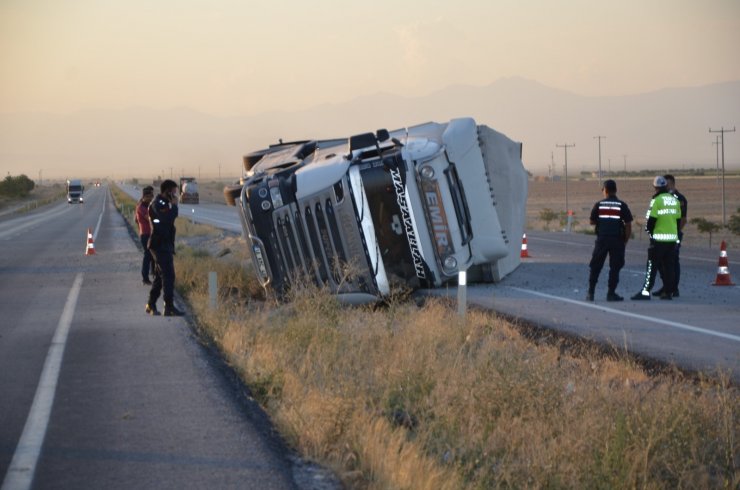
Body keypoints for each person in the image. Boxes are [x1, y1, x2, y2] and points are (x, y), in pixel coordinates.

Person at [631, 176, 682, 300]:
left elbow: (651, 220)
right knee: (669, 266)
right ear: (665, 186)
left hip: (659, 240)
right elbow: (678, 220)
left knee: (651, 266)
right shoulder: (674, 200)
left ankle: (646, 292)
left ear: (655, 187)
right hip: (672, 239)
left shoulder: (656, 200)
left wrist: (650, 233)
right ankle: (668, 292)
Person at [586, 179, 633, 301]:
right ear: (615, 190)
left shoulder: (599, 204)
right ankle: (611, 293)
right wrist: (625, 241)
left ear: (605, 190)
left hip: (602, 239)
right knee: (615, 267)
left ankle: (591, 293)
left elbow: (591, 221)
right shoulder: (622, 205)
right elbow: (628, 224)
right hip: (617, 240)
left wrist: (602, 222)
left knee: (596, 266)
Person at [145, 179, 185, 316]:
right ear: (167, 191)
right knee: (169, 275)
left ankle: (150, 304)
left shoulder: (164, 203)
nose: (175, 195)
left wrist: (172, 206)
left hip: (165, 244)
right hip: (159, 245)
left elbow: (170, 218)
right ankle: (169, 307)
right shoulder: (157, 204)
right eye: (173, 192)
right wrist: (174, 206)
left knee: (159, 277)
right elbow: (166, 219)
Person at [653, 174, 687, 297]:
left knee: (672, 262)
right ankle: (666, 287)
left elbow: (683, 219)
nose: (664, 187)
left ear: (672, 183)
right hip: (663, 235)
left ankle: (674, 288)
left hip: (674, 235)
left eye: (666, 184)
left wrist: (676, 232)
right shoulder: (664, 197)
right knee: (662, 262)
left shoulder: (679, 198)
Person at [135, 186, 155, 285]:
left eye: (152, 195)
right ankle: (145, 278)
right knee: (147, 255)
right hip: (145, 234)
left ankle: (153, 273)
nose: (152, 198)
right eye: (150, 196)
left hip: (150, 233)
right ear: (145, 196)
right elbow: (149, 218)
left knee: (153, 255)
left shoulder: (147, 206)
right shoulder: (141, 207)